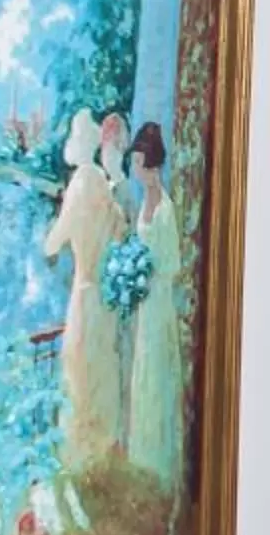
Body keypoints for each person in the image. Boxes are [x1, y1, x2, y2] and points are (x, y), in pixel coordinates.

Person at [41, 109, 124, 469]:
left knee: (80, 371)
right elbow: (120, 231)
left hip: (84, 292)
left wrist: (52, 239)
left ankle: (81, 456)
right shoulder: (102, 184)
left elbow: (53, 241)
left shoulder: (80, 183)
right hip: (102, 295)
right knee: (100, 368)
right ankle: (101, 450)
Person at [126, 122, 188, 493]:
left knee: (157, 374)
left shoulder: (166, 210)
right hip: (146, 304)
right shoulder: (144, 205)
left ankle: (160, 467)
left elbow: (174, 264)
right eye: (134, 163)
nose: (135, 170)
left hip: (159, 302)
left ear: (152, 166)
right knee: (143, 373)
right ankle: (142, 458)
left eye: (138, 163)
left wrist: (148, 272)